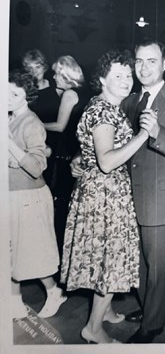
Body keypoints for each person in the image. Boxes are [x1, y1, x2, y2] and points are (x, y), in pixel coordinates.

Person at [71, 39, 165, 343]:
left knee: (158, 267)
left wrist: (158, 132)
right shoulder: (129, 100)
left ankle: (152, 325)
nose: (143, 68)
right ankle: (154, 307)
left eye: (151, 61)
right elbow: (109, 143)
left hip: (162, 197)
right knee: (142, 265)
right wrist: (82, 159)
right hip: (128, 198)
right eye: (139, 62)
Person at [60, 50, 154, 344]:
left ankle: (108, 310)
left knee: (104, 258)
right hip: (106, 196)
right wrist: (142, 135)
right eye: (118, 76)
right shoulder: (103, 111)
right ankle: (93, 329)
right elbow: (107, 161)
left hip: (100, 191)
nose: (126, 81)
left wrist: (79, 159)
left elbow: (92, 148)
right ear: (101, 79)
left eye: (128, 75)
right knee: (110, 261)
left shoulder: (102, 105)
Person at [8, 69, 67, 319]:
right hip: (11, 195)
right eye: (6, 91)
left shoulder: (30, 122)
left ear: (27, 96)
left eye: (15, 94)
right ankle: (14, 303)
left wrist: (9, 146)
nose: (8, 97)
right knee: (10, 254)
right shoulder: (9, 117)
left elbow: (36, 166)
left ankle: (55, 292)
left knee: (34, 254)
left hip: (28, 198)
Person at [43, 55, 90, 254]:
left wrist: (33, 122)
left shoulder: (69, 94)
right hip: (80, 150)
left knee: (61, 204)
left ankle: (59, 252)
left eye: (56, 73)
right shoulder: (86, 91)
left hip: (66, 153)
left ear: (65, 75)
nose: (53, 77)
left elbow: (60, 126)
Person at [22, 49, 61, 189]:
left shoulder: (56, 86)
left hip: (54, 139)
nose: (34, 72)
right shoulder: (25, 91)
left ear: (44, 66)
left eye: (37, 67)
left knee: (50, 182)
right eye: (30, 68)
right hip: (33, 140)